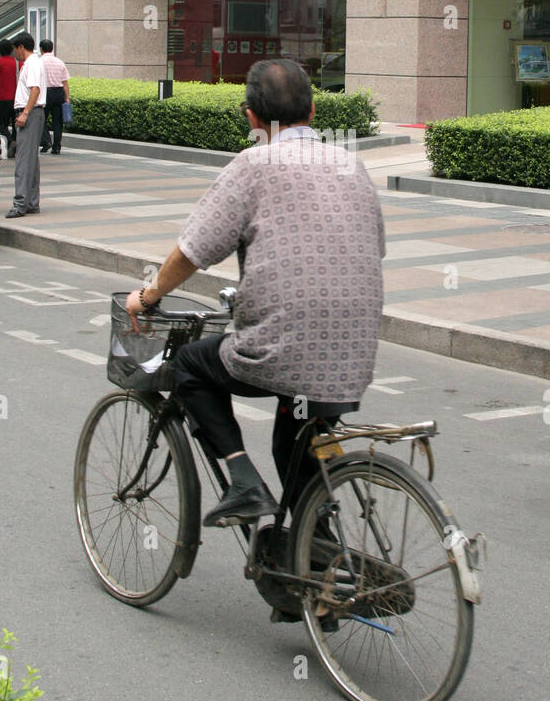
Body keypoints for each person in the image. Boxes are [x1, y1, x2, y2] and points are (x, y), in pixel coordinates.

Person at [124, 58, 386, 527]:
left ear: (251, 116)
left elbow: (193, 251)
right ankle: (312, 559)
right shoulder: (353, 165)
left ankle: (243, 481)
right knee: (295, 443)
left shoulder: (254, 164)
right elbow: (373, 249)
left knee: (189, 367)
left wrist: (147, 296)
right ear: (311, 110)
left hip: (280, 348)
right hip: (353, 354)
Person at [5, 32, 46, 219]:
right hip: (31, 113)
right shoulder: (32, 63)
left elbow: (35, 89)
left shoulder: (33, 63)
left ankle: (20, 203)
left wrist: (25, 113)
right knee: (30, 160)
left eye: (16, 50)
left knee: (23, 160)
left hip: (30, 113)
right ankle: (31, 202)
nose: (15, 54)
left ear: (21, 47)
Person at [39, 39, 70, 154]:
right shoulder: (60, 62)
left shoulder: (39, 62)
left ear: (41, 49)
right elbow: (65, 83)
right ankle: (57, 146)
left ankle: (46, 141)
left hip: (45, 93)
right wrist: (67, 98)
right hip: (59, 93)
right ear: (52, 49)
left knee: (41, 119)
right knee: (57, 121)